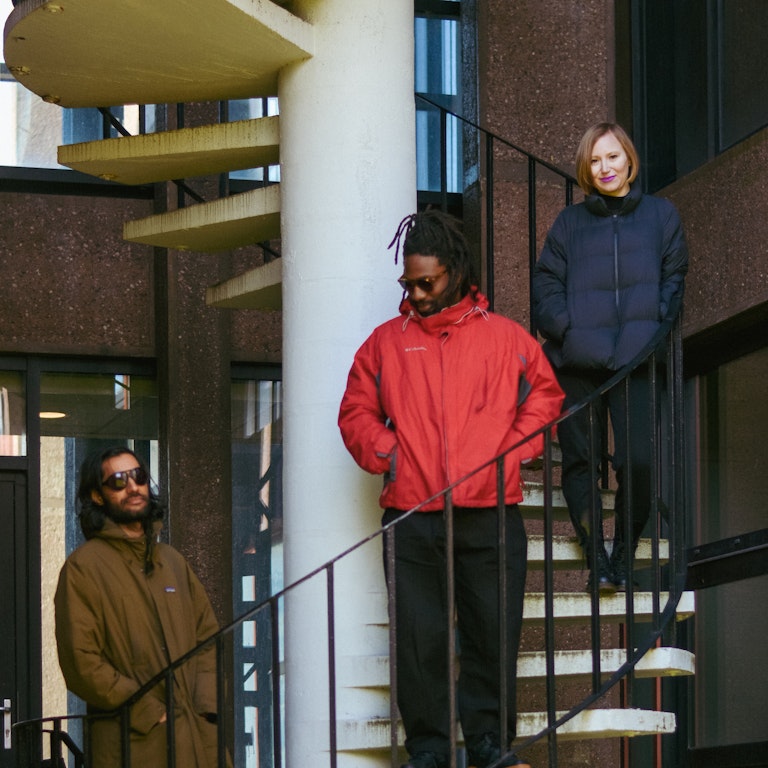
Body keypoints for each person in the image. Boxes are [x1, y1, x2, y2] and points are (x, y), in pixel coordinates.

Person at [338, 211, 564, 768]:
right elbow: (355, 413)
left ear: (456, 272)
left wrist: (508, 451)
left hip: (491, 512)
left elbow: (545, 397)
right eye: (407, 284)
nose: (415, 294)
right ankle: (430, 749)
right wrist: (390, 454)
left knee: (492, 633)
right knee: (420, 640)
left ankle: (488, 743)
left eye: (426, 282)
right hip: (412, 514)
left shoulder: (506, 338)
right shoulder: (385, 344)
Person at [532, 122, 688, 593]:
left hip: (636, 362)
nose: (605, 168)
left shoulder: (661, 216)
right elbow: (545, 287)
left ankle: (622, 553)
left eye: (613, 157)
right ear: (586, 167)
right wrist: (571, 334)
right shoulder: (569, 224)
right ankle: (595, 558)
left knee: (638, 463)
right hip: (578, 362)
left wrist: (651, 327)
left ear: (629, 161)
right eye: (595, 160)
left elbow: (673, 277)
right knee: (580, 461)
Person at [54, 446, 223, 767]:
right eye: (118, 481)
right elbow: (82, 662)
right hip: (132, 744)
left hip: (196, 741)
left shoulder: (172, 561)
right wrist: (147, 711)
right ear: (98, 495)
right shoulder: (84, 567)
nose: (133, 487)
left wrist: (205, 707)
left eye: (139, 477)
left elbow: (208, 640)